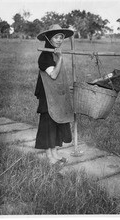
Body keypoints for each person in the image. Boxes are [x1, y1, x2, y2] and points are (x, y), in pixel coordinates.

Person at [34, 24, 74, 164]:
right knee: (47, 122)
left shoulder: (53, 54)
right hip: (46, 94)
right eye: (56, 37)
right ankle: (48, 155)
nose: (59, 40)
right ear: (48, 39)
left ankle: (55, 152)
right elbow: (54, 75)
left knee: (57, 120)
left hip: (55, 93)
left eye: (61, 37)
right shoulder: (45, 56)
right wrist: (61, 58)